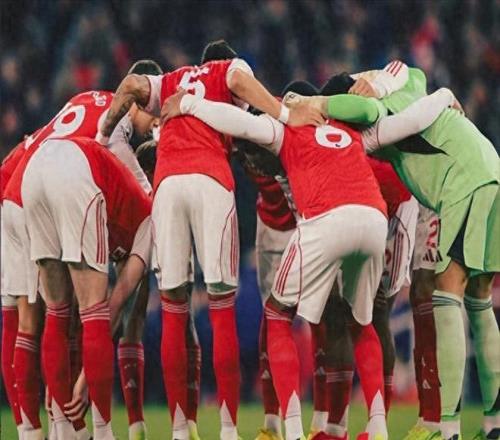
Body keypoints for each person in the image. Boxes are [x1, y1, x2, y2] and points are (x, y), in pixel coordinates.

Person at [160, 81, 457, 440]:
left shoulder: (284, 129)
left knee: (277, 315)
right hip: (373, 219)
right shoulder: (351, 131)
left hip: (325, 218)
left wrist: (190, 104)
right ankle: (378, 427)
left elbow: (239, 122)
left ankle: (293, 430)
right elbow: (409, 121)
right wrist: (442, 96)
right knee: (362, 322)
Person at [96, 39, 323, 440]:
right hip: (210, 180)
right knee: (220, 309)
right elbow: (238, 79)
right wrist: (286, 114)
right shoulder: (227, 70)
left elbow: (130, 85)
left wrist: (104, 132)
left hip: (167, 184)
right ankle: (229, 430)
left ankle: (180, 430)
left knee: (173, 309)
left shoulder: (171, 80)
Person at [306, 67, 500, 440]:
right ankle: (493, 425)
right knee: (479, 300)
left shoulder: (374, 113)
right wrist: (386, 82)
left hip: (463, 179)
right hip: (489, 164)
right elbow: (411, 72)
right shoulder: (407, 87)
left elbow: (363, 109)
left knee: (446, 293)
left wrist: (314, 104)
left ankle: (447, 428)